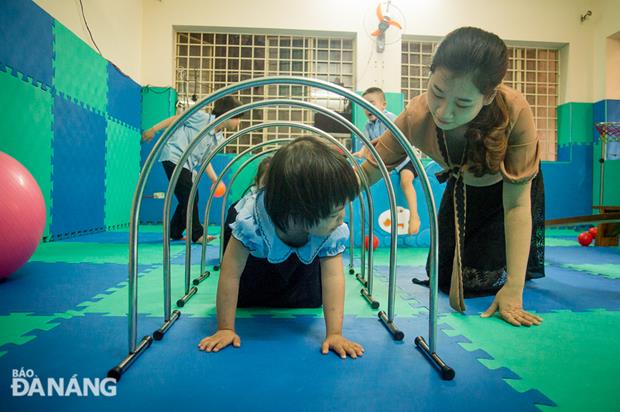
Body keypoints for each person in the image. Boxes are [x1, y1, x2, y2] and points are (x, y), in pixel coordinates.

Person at [361, 27, 545, 327]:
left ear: (487, 97)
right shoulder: (416, 115)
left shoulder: (514, 110)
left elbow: (516, 206)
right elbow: (369, 169)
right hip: (463, 186)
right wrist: (323, 196)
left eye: (462, 104)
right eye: (436, 93)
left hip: (509, 192)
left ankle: (510, 272)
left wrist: (514, 287)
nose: (443, 112)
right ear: (430, 75)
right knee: (443, 277)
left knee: (479, 281)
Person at [198, 136, 365, 359]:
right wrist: (226, 328)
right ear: (299, 212)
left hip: (300, 247)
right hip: (258, 255)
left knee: (312, 297)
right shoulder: (251, 222)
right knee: (248, 298)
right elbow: (230, 273)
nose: (341, 218)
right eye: (335, 213)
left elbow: (333, 276)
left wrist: (335, 333)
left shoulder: (330, 227)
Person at [141, 96, 243, 243]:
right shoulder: (201, 117)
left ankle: (174, 231)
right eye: (238, 117)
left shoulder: (218, 138)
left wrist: (215, 179)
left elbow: (205, 160)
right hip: (174, 156)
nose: (239, 122)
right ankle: (197, 234)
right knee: (189, 195)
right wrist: (153, 129)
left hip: (187, 165)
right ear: (228, 113)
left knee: (188, 197)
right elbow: (176, 119)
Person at [354, 87, 421, 235]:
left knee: (406, 181)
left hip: (406, 159)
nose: (367, 108)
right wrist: (361, 152)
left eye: (371, 103)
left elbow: (391, 139)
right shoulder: (367, 126)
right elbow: (367, 144)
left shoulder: (390, 118)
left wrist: (368, 148)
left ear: (383, 105)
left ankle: (415, 216)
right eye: (364, 105)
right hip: (388, 163)